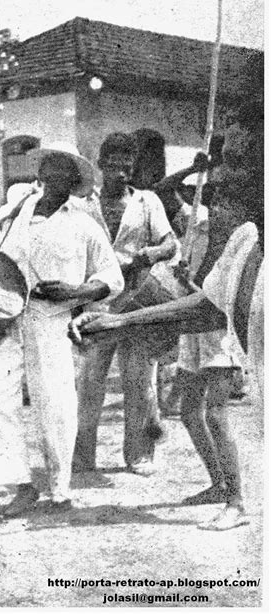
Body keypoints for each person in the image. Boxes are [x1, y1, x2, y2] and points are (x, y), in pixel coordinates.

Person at [70, 101, 264, 531]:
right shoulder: (202, 219)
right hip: (172, 311)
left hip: (209, 321)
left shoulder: (236, 227)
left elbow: (211, 302)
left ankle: (236, 500)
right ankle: (218, 484)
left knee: (211, 411)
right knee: (191, 410)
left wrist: (151, 275)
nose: (217, 184)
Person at [0, 141, 124, 517]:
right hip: (8, 319)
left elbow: (111, 277)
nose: (53, 173)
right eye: (48, 166)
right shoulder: (10, 215)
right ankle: (21, 485)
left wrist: (77, 291)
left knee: (56, 406)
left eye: (63, 168)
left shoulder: (83, 224)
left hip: (51, 320)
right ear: (40, 172)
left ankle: (60, 489)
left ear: (74, 179)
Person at [75, 132, 177, 475]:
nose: (121, 172)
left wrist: (153, 252)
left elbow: (170, 243)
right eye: (114, 165)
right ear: (102, 165)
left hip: (138, 300)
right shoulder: (84, 204)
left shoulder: (146, 202)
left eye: (127, 165)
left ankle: (139, 454)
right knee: (89, 382)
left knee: (140, 381)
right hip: (98, 303)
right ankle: (82, 455)